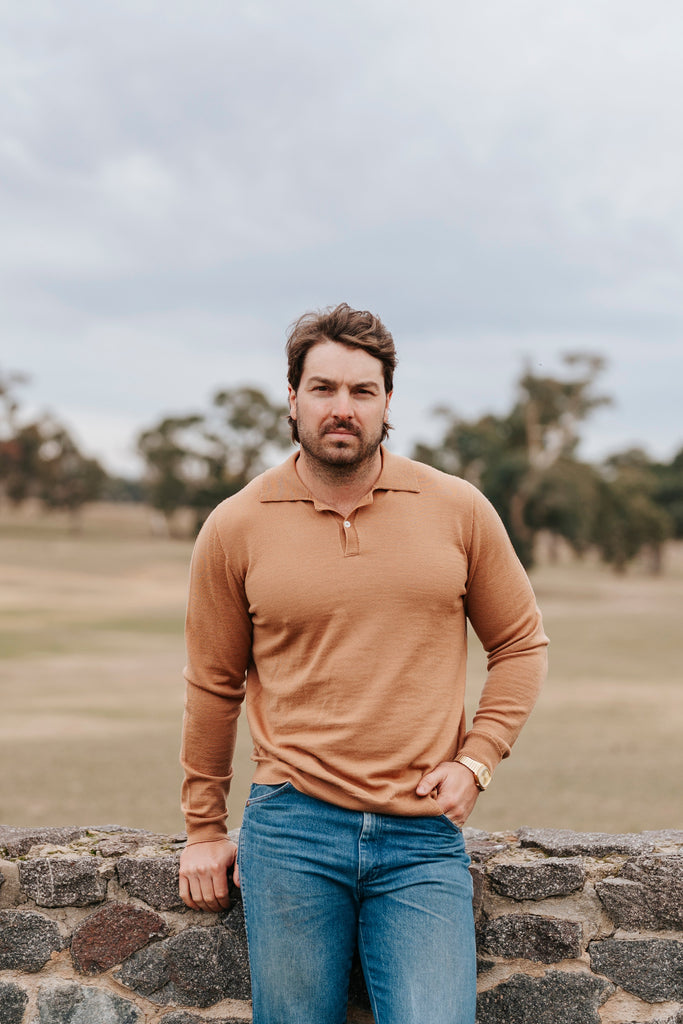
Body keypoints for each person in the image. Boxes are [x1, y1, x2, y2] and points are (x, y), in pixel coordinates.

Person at [178, 302, 548, 1024]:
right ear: (292, 398)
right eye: (323, 389)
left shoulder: (456, 508)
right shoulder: (236, 525)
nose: (340, 408)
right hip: (290, 829)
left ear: (385, 402)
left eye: (360, 391)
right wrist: (202, 829)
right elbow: (213, 685)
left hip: (420, 834)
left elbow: (520, 644)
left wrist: (476, 759)